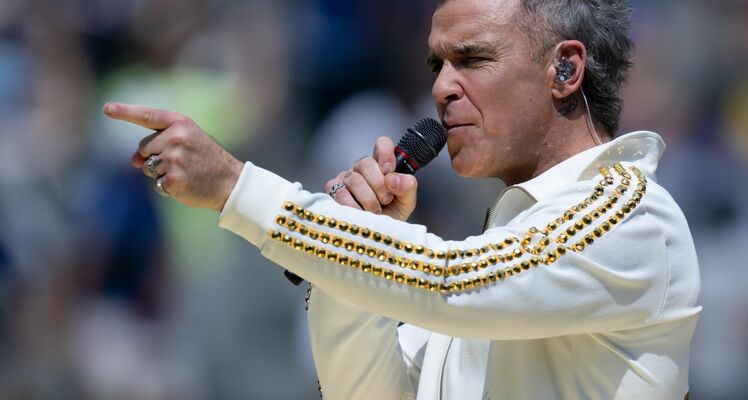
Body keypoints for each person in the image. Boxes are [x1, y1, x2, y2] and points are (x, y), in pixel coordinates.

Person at [103, 0, 702, 398]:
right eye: (437, 64)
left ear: (565, 70)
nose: (441, 87)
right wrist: (349, 249)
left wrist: (237, 188)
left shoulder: (631, 213)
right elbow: (366, 393)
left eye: (472, 59)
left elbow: (448, 281)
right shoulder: (502, 246)